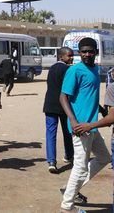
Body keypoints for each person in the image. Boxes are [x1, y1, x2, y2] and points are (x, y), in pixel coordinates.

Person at [59, 37, 111, 213]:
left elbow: (90, 95)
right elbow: (63, 97)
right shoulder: (75, 71)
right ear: (79, 53)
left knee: (104, 158)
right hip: (81, 128)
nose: (87, 54)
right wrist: (73, 121)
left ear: (96, 52)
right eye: (84, 51)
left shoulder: (95, 69)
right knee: (80, 167)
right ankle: (67, 205)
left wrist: (102, 110)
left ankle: (69, 189)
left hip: (92, 126)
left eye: (90, 51)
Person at [43, 47, 75, 174]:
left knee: (51, 133)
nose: (71, 57)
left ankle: (51, 162)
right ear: (61, 57)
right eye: (69, 55)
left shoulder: (51, 68)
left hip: (50, 105)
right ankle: (69, 156)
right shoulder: (68, 69)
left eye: (72, 55)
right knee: (67, 131)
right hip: (63, 105)